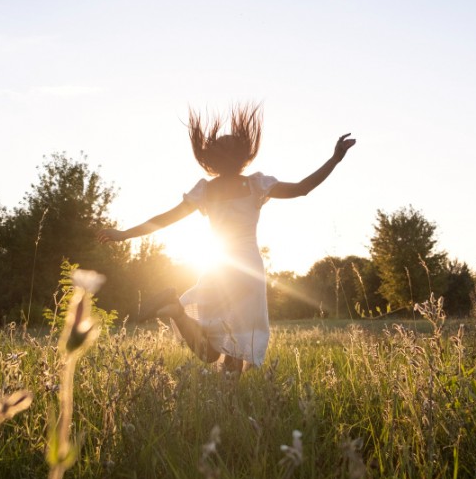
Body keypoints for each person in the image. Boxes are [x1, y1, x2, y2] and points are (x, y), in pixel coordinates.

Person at [97, 103, 355, 373]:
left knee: (213, 350)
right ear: (244, 157)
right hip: (247, 269)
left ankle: (176, 311)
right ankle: (225, 389)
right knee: (236, 343)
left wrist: (124, 234)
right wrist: (334, 159)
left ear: (213, 160)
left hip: (217, 268)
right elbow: (303, 188)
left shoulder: (205, 190)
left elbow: (165, 219)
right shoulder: (256, 185)